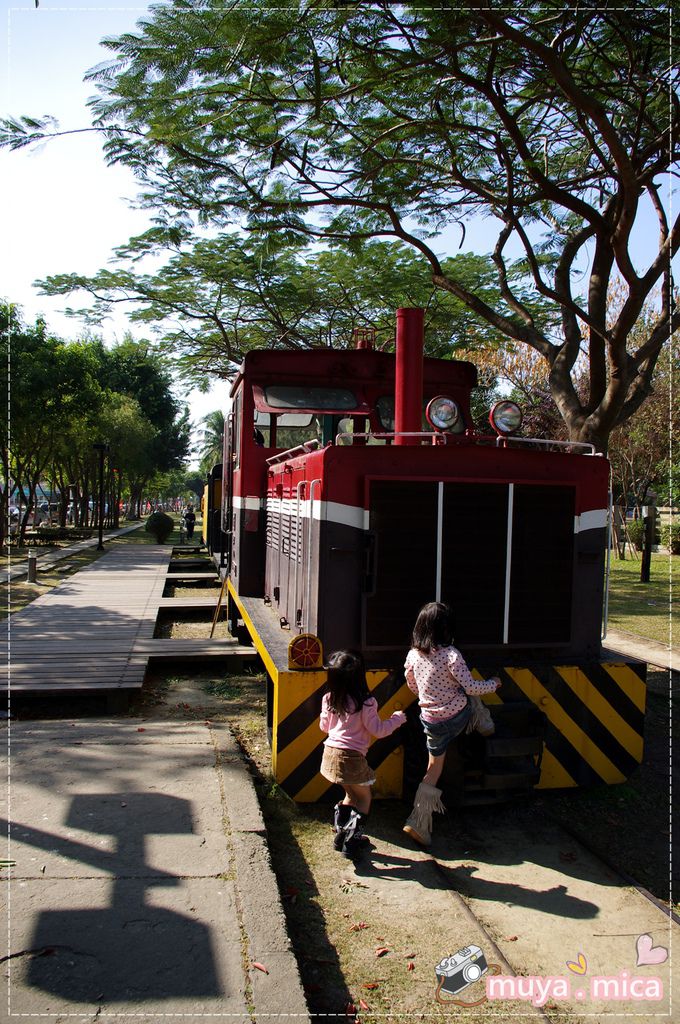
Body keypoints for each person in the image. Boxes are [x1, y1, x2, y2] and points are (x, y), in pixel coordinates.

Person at [403, 601, 501, 847]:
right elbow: (469, 686)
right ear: (447, 628)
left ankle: (418, 821)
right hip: (456, 719)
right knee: (472, 696)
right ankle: (483, 722)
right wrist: (494, 684)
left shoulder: (413, 654)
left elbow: (411, 684)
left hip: (430, 721)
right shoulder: (452, 655)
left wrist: (428, 697)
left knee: (432, 769)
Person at [319, 650, 406, 859]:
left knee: (350, 794)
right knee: (365, 797)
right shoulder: (366, 703)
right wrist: (397, 719)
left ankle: (341, 834)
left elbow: (324, 727)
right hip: (352, 758)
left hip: (330, 755)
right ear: (360, 676)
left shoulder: (329, 698)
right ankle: (352, 840)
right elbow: (378, 730)